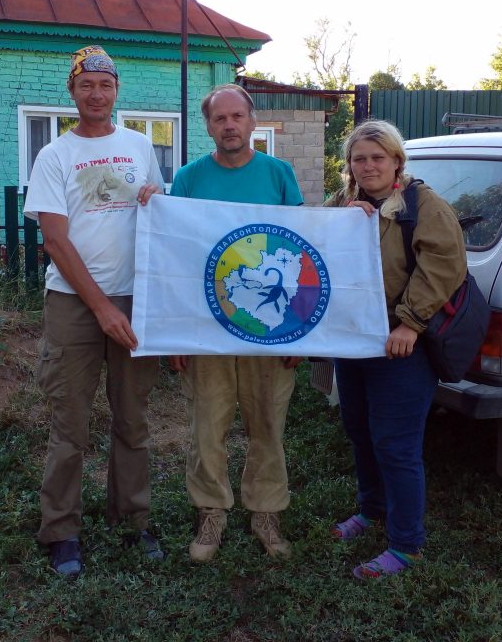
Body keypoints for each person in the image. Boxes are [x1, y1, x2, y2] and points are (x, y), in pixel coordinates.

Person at [23, 45, 166, 579]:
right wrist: (102, 307)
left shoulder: (139, 146)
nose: (97, 94)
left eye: (105, 85)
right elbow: (56, 241)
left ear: (116, 90)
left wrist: (153, 196)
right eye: (87, 85)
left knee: (133, 420)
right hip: (74, 304)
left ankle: (132, 520)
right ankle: (61, 531)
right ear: (73, 91)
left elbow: (156, 214)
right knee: (70, 426)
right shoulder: (54, 156)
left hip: (135, 299)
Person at [324, 119, 466, 579]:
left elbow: (443, 266)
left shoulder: (424, 206)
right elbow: (315, 247)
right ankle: (372, 509)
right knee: (360, 430)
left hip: (400, 344)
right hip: (354, 340)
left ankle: (406, 544)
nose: (368, 166)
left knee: (396, 445)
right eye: (359, 159)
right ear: (349, 165)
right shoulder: (342, 203)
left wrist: (409, 323)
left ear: (396, 161)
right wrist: (340, 224)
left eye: (377, 157)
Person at [169, 83, 304, 562]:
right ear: (208, 126)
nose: (229, 125)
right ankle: (211, 512)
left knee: (267, 422)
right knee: (208, 425)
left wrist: (298, 333)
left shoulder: (279, 174)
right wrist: (177, 333)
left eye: (237, 116)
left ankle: (266, 512)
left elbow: (298, 252)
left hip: (268, 326)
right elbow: (175, 257)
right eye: (219, 118)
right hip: (206, 327)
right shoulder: (188, 178)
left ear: (252, 122)